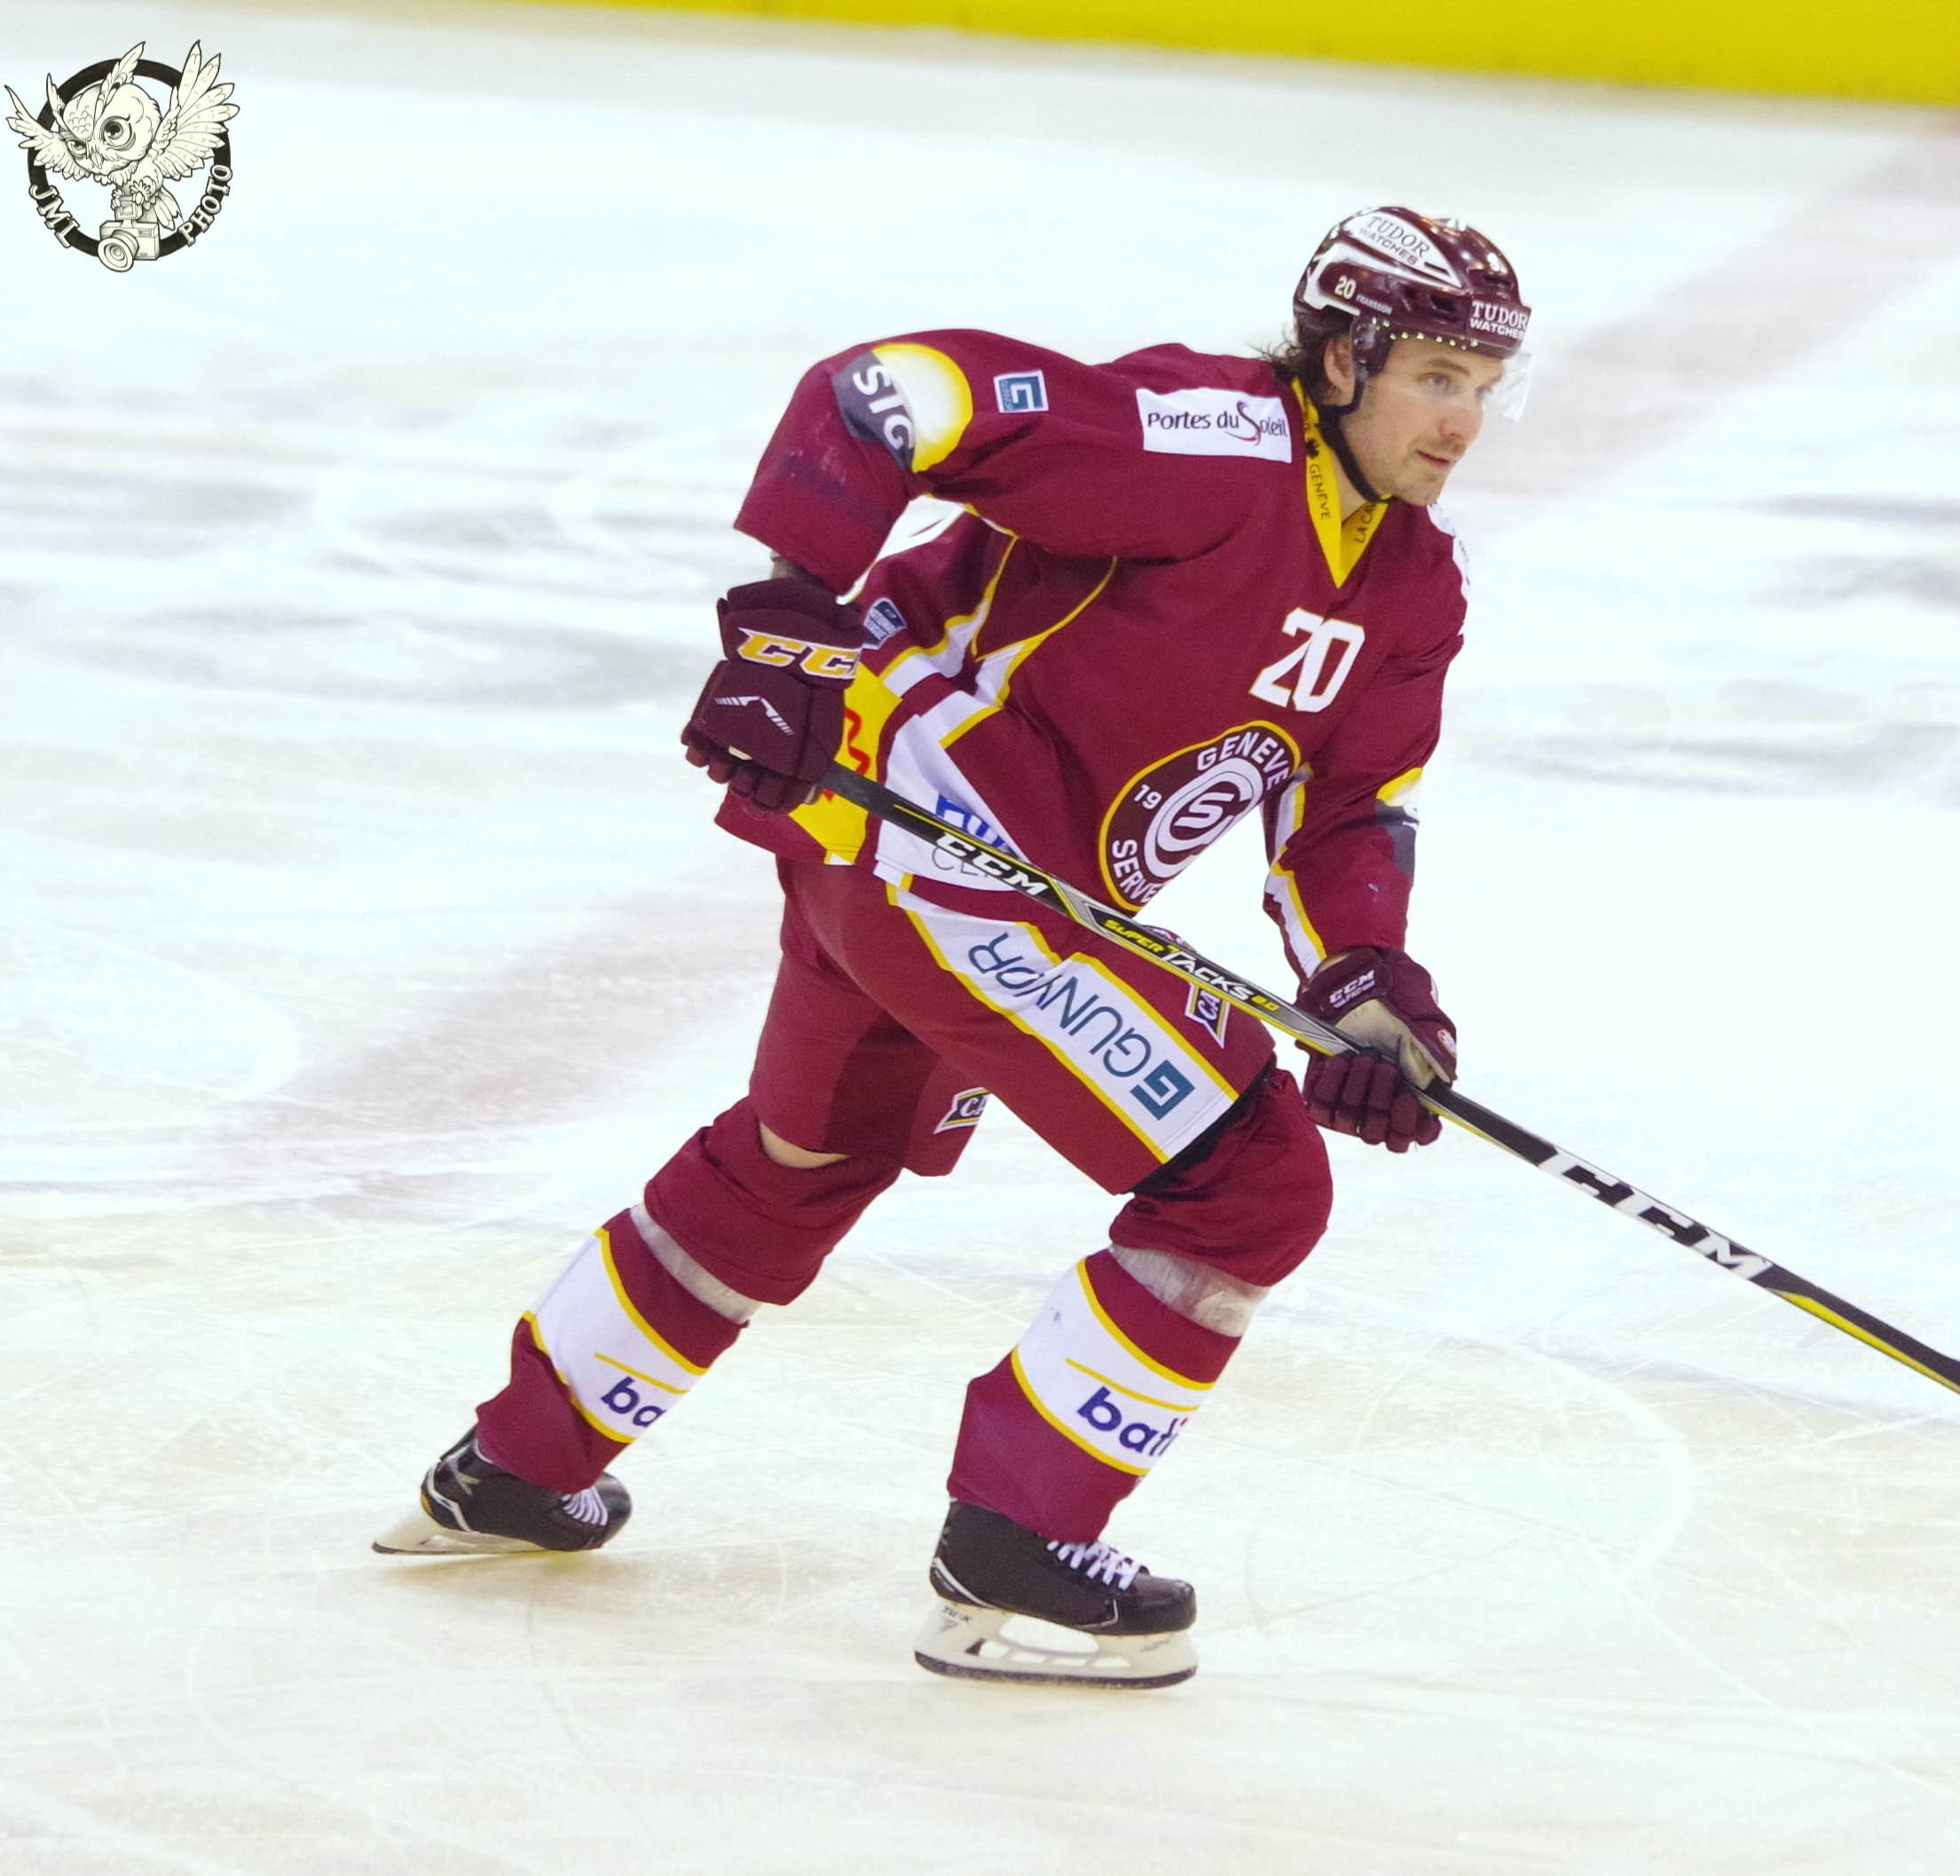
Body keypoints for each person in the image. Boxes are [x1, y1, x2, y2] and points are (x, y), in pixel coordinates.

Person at [374, 208, 1531, 1690]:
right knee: (1248, 1178)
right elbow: (883, 395)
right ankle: (1016, 1553)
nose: (1461, 422)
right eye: (1434, 375)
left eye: (1482, 387)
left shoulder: (1412, 585)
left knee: (803, 1159)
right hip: (933, 841)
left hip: (914, 872)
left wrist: (1363, 983)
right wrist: (786, 626)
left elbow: (1352, 805)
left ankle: (516, 1468)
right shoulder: (1211, 443)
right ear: (1342, 356)